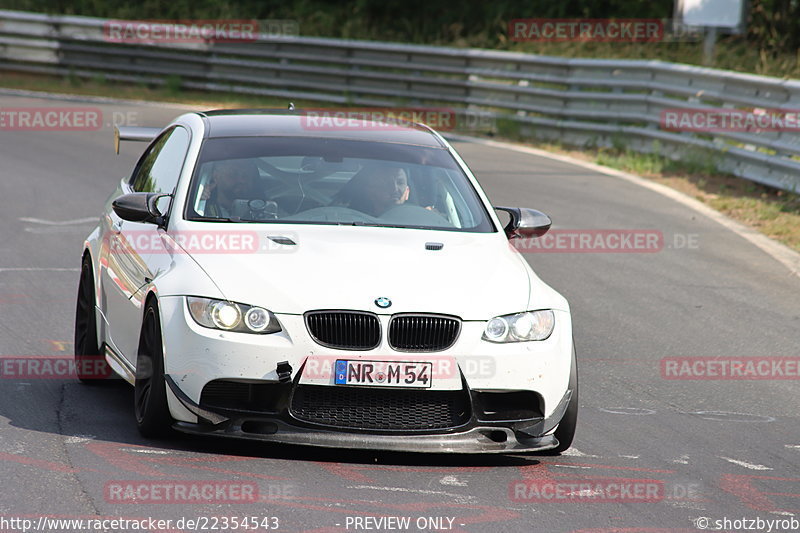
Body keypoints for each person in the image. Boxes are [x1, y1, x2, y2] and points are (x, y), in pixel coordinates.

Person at [334, 164, 410, 217]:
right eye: (386, 184)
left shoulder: (420, 220)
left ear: (407, 192)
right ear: (369, 190)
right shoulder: (347, 221)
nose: (394, 189)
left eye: (400, 182)